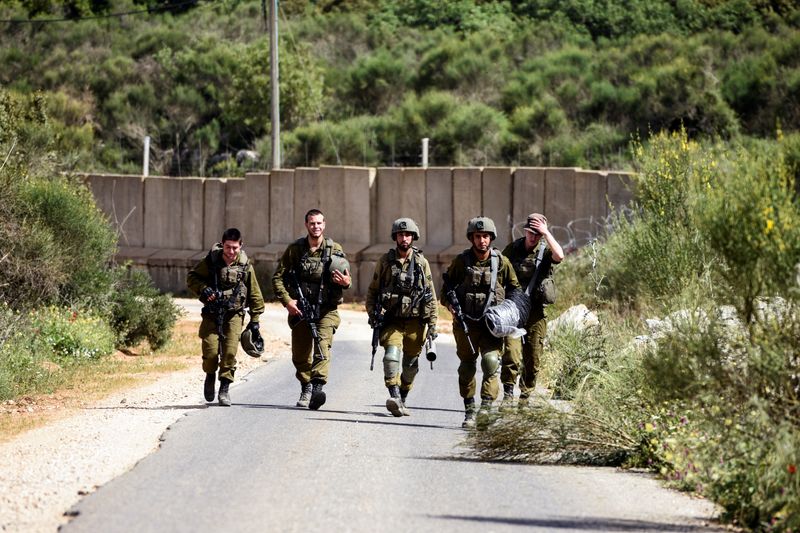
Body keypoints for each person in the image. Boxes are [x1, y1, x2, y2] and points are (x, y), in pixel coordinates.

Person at [441, 216, 520, 428]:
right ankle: (469, 411)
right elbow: (445, 291)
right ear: (471, 238)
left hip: (491, 325)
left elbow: (514, 290)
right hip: (466, 324)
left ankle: (485, 409)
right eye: (478, 236)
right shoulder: (462, 261)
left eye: (485, 236)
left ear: (491, 238)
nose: (482, 240)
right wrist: (451, 307)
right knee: (467, 367)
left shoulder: (501, 262)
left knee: (491, 363)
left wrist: (509, 313)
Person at [272, 209, 351, 410]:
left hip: (326, 310)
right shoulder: (295, 250)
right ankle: (306, 385)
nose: (316, 227)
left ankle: (316, 389)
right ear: (306, 225)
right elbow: (278, 278)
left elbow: (346, 277)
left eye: (319, 223)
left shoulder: (335, 249)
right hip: (301, 310)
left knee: (322, 349)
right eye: (312, 223)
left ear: (324, 224)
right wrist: (288, 301)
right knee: (300, 356)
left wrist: (346, 282)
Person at [366, 218, 438, 417]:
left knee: (410, 366)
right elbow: (373, 291)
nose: (404, 238)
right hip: (392, 321)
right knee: (391, 356)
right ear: (395, 237)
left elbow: (431, 295)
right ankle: (394, 395)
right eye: (400, 234)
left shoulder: (422, 263)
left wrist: (432, 324)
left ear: (413, 237)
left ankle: (403, 397)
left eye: (407, 235)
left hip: (416, 322)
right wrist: (373, 314)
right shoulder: (385, 262)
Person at [187, 227, 265, 406]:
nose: (231, 252)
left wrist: (255, 321)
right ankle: (210, 375)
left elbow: (255, 294)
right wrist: (204, 289)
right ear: (223, 245)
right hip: (212, 314)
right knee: (210, 351)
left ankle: (224, 389)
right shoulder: (212, 261)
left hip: (234, 315)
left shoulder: (245, 266)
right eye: (228, 247)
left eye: (235, 248)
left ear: (241, 246)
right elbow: (192, 278)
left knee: (230, 352)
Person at [500, 213, 564, 406]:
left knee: (533, 357)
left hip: (535, 311)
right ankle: (508, 394)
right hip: (514, 309)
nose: (533, 237)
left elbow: (560, 255)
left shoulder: (545, 251)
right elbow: (499, 270)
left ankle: (525, 397)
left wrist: (546, 232)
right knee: (511, 353)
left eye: (538, 234)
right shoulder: (514, 249)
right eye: (531, 233)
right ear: (526, 231)